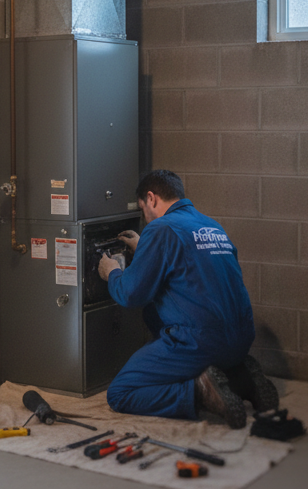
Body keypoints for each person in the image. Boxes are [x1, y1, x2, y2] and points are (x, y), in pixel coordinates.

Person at [98, 169, 279, 429]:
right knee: (153, 313)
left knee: (120, 393)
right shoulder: (211, 226)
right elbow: (192, 272)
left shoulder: (160, 228)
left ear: (151, 198)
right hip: (240, 340)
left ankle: (199, 391)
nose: (144, 217)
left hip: (200, 343)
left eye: (142, 209)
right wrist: (145, 248)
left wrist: (112, 273)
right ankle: (239, 378)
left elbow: (129, 294)